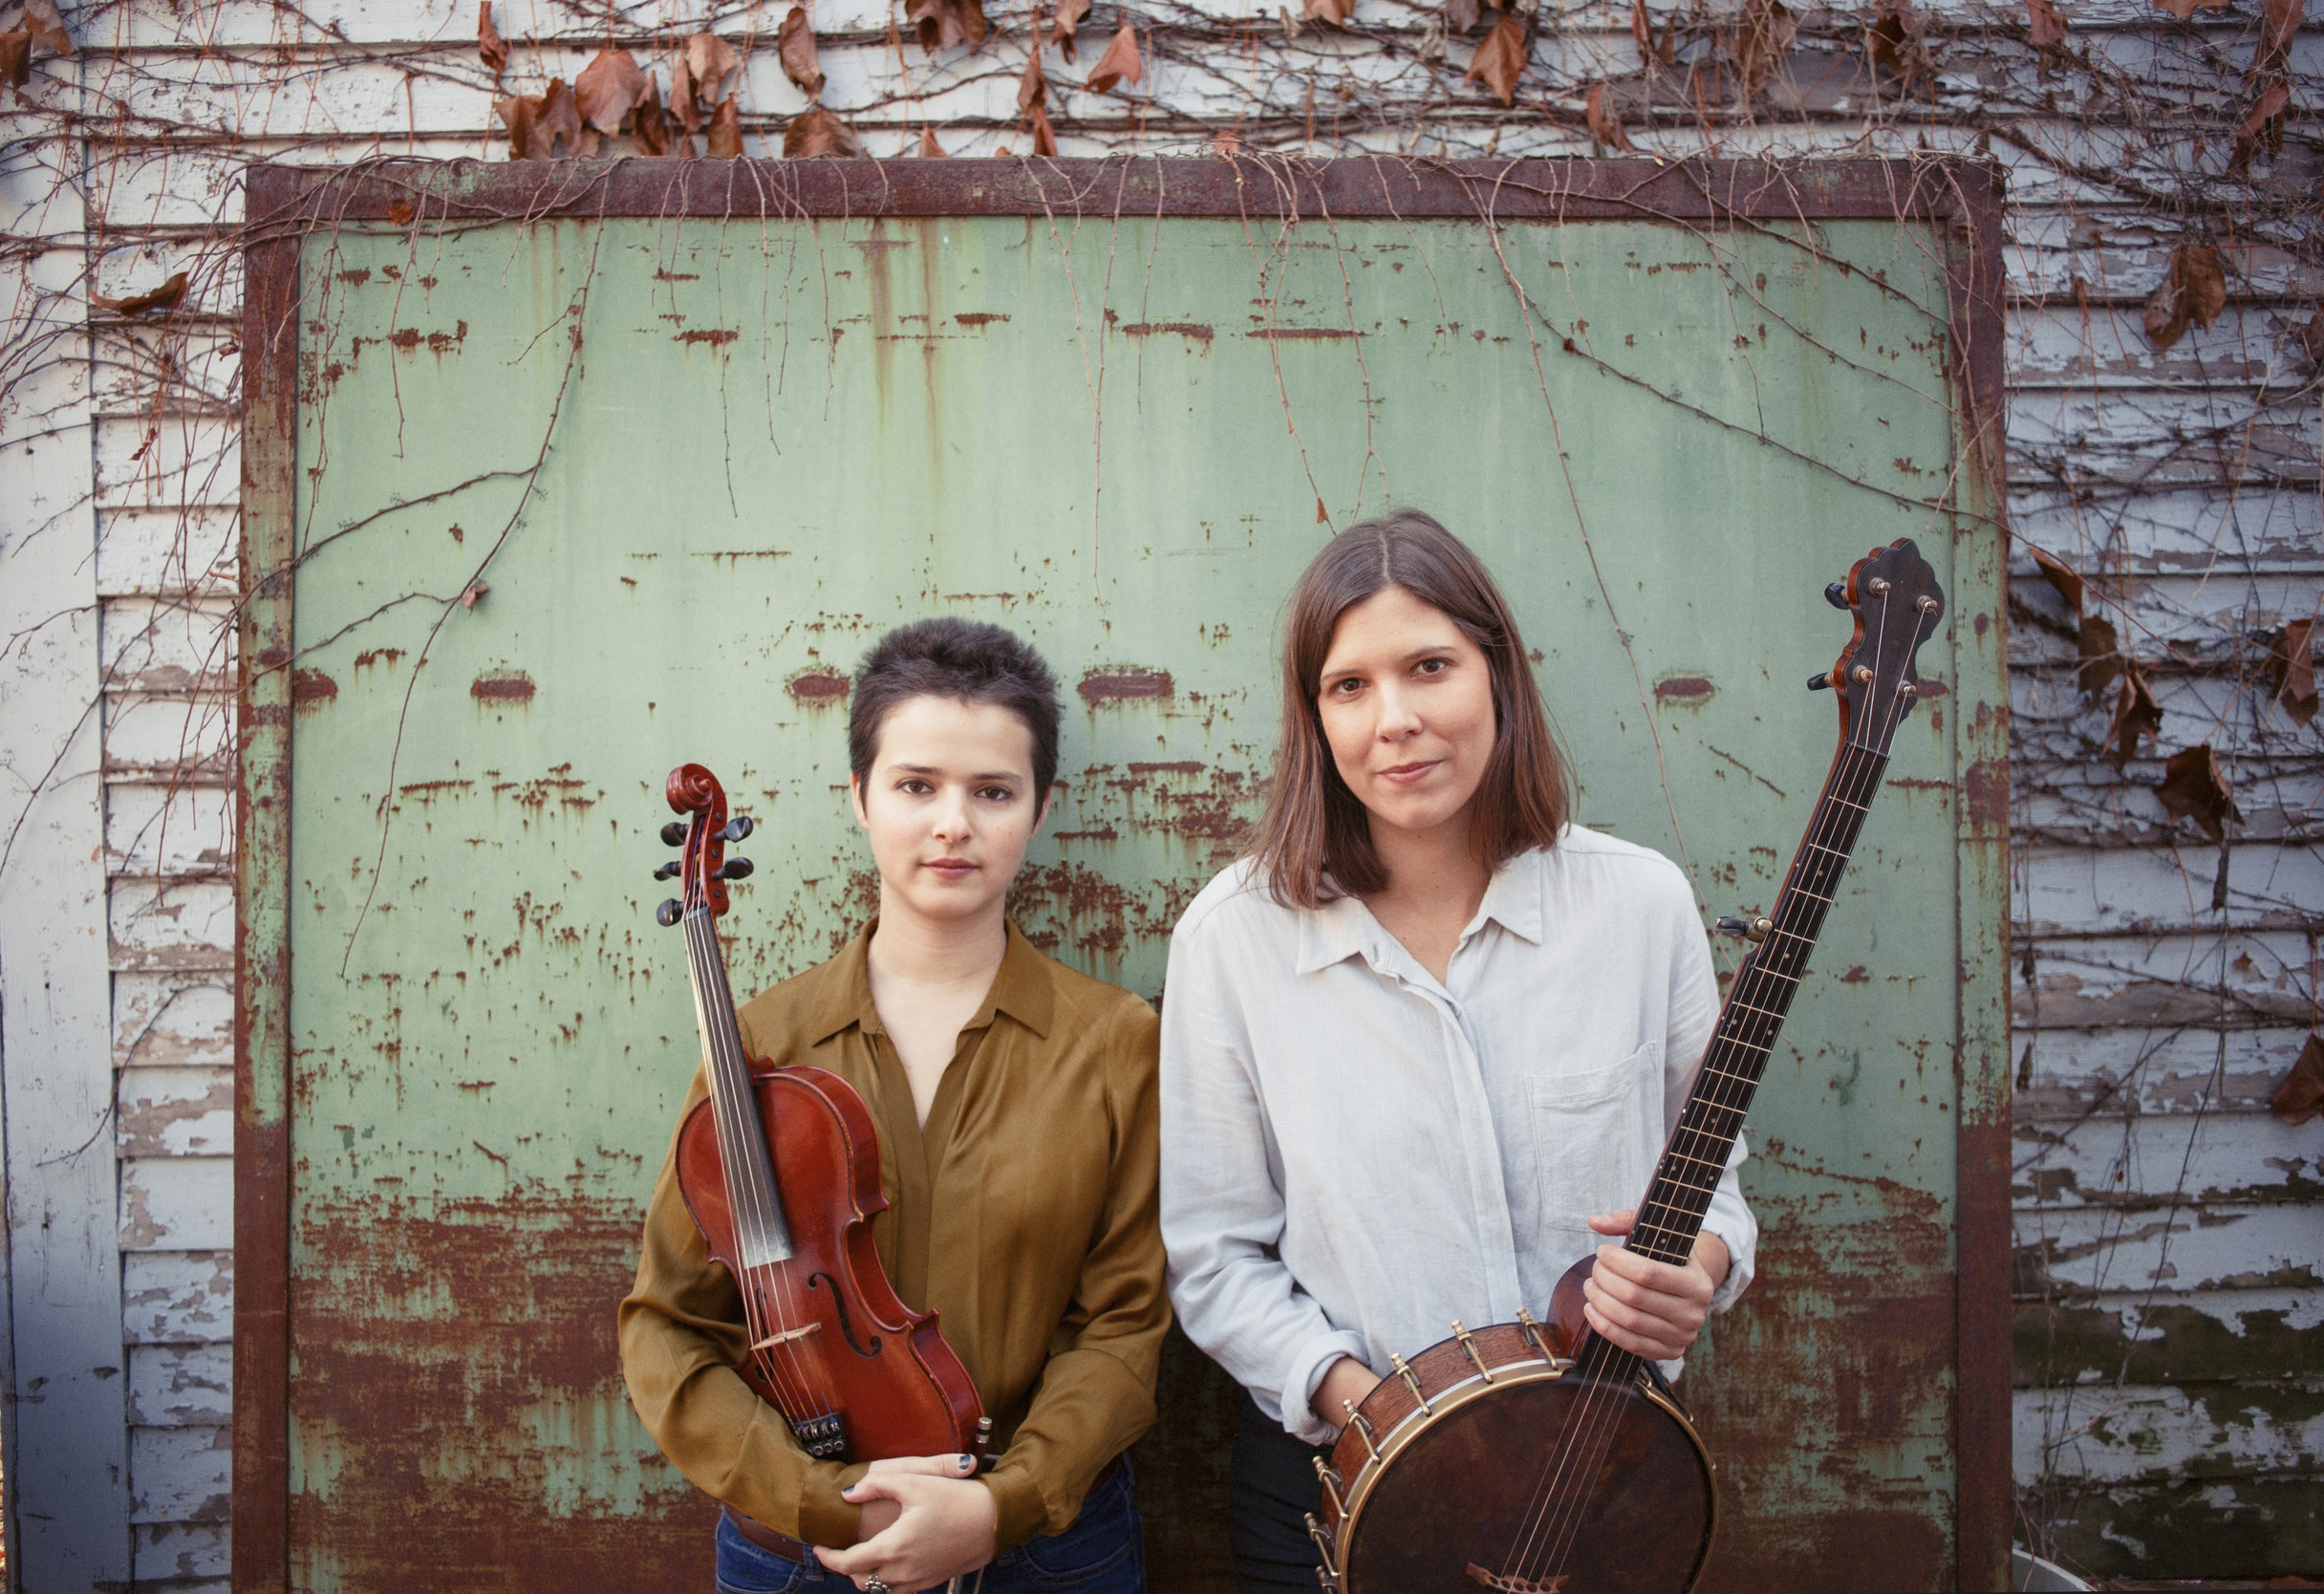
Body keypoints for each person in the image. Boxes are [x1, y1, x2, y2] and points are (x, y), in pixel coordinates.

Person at [1157, 510, 1758, 1591]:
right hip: (1337, 1484)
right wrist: (1387, 1422)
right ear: (1313, 717)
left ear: (1498, 676)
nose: (1395, 721)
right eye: (1349, 686)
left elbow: (1711, 1185)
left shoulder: (1638, 907)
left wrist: (1695, 1273)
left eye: (1429, 667)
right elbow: (1214, 1255)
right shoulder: (1233, 938)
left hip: (1600, 1473)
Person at [621, 618, 1167, 1594]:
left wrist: (1002, 1505)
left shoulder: (1115, 1043)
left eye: (992, 791)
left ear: (1040, 808)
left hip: (1049, 1552)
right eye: (916, 786)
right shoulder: (759, 1047)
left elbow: (1122, 1325)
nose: (952, 823)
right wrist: (828, 1499)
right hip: (803, 1554)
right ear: (860, 797)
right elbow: (669, 1327)